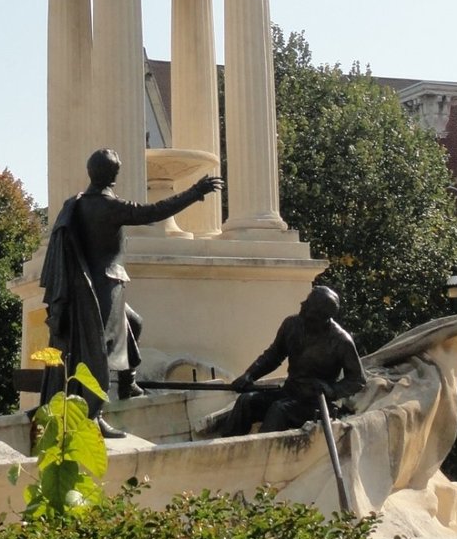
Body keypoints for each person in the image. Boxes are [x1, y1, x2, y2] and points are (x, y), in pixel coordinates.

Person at [40, 148, 223, 436]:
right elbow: (153, 212)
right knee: (99, 353)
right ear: (114, 175)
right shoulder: (108, 207)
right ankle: (93, 417)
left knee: (133, 324)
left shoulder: (74, 204)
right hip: (104, 286)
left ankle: (128, 383)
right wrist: (195, 192)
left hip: (88, 287)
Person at [219, 285, 366, 437]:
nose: (302, 304)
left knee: (279, 410)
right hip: (289, 392)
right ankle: (223, 448)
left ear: (319, 315)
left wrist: (332, 390)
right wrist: (249, 375)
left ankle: (261, 454)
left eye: (308, 303)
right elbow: (273, 356)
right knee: (246, 401)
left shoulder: (341, 341)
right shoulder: (291, 325)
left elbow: (357, 379)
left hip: (314, 403)